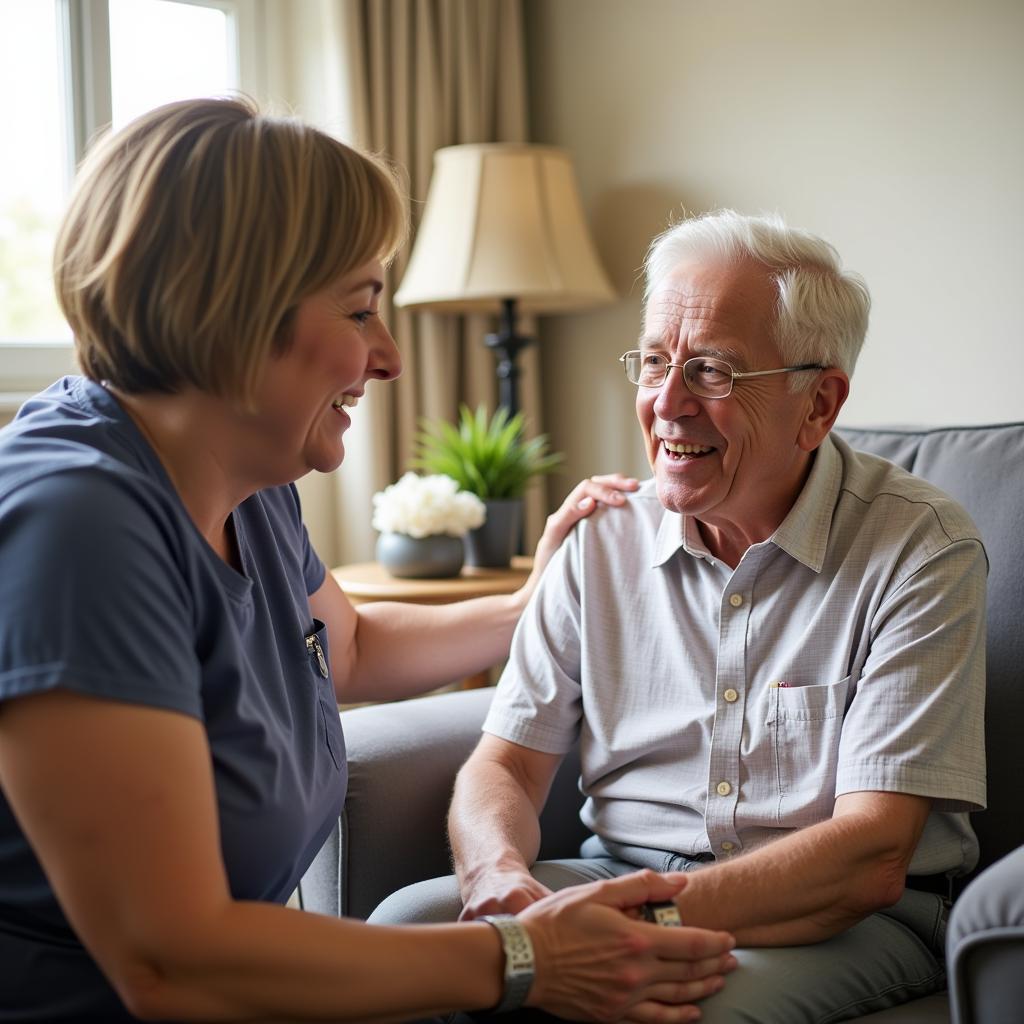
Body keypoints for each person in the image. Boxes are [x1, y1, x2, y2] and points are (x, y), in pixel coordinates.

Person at [0, 98, 739, 1023]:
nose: (388, 358)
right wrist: (525, 956)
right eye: (360, 311)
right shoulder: (76, 527)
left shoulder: (248, 477)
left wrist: (538, 605)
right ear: (229, 314)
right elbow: (169, 963)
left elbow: (347, 650)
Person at [369, 210, 989, 1022]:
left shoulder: (920, 547)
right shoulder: (602, 539)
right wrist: (498, 881)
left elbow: (869, 855)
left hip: (848, 918)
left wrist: (619, 927)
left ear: (819, 403)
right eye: (655, 362)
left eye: (712, 373)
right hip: (614, 876)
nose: (666, 404)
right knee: (400, 940)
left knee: (671, 1013)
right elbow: (507, 767)